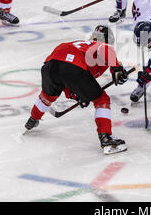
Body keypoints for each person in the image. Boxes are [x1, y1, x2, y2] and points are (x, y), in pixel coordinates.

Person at [24, 25, 130, 155]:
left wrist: (77, 95)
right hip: (71, 67)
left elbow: (68, 80)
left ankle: (33, 119)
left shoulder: (81, 45)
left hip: (50, 66)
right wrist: (118, 69)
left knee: (47, 95)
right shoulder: (100, 46)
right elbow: (106, 50)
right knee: (102, 99)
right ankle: (106, 138)